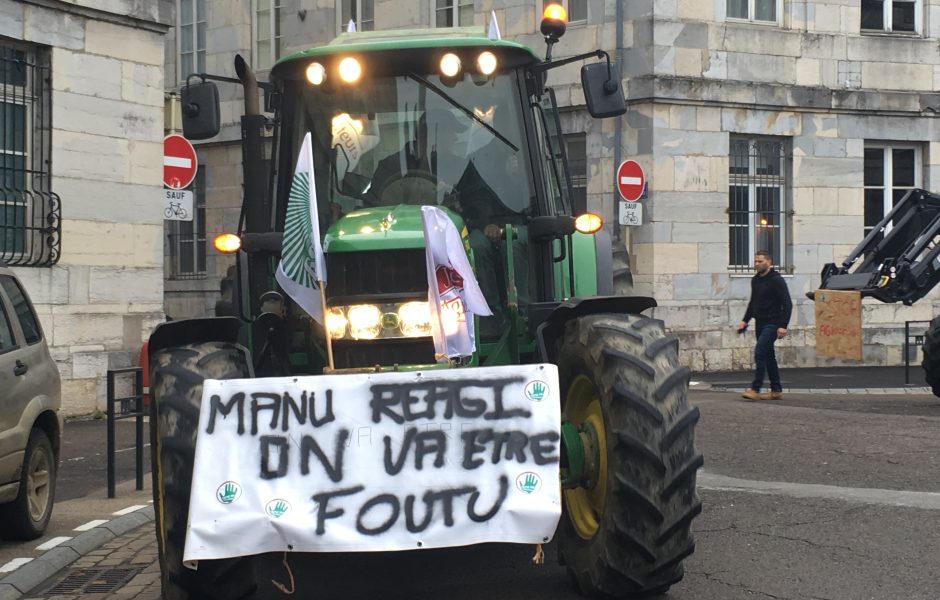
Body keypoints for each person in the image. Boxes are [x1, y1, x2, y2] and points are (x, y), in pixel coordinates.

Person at [737, 250, 792, 401]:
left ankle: (755, 388)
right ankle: (776, 390)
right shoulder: (756, 280)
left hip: (773, 323)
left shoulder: (776, 280)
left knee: (760, 352)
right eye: (755, 261)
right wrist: (745, 320)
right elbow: (753, 302)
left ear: (769, 262)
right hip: (760, 322)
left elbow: (787, 303)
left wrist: (783, 325)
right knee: (769, 356)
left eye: (760, 261)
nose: (757, 264)